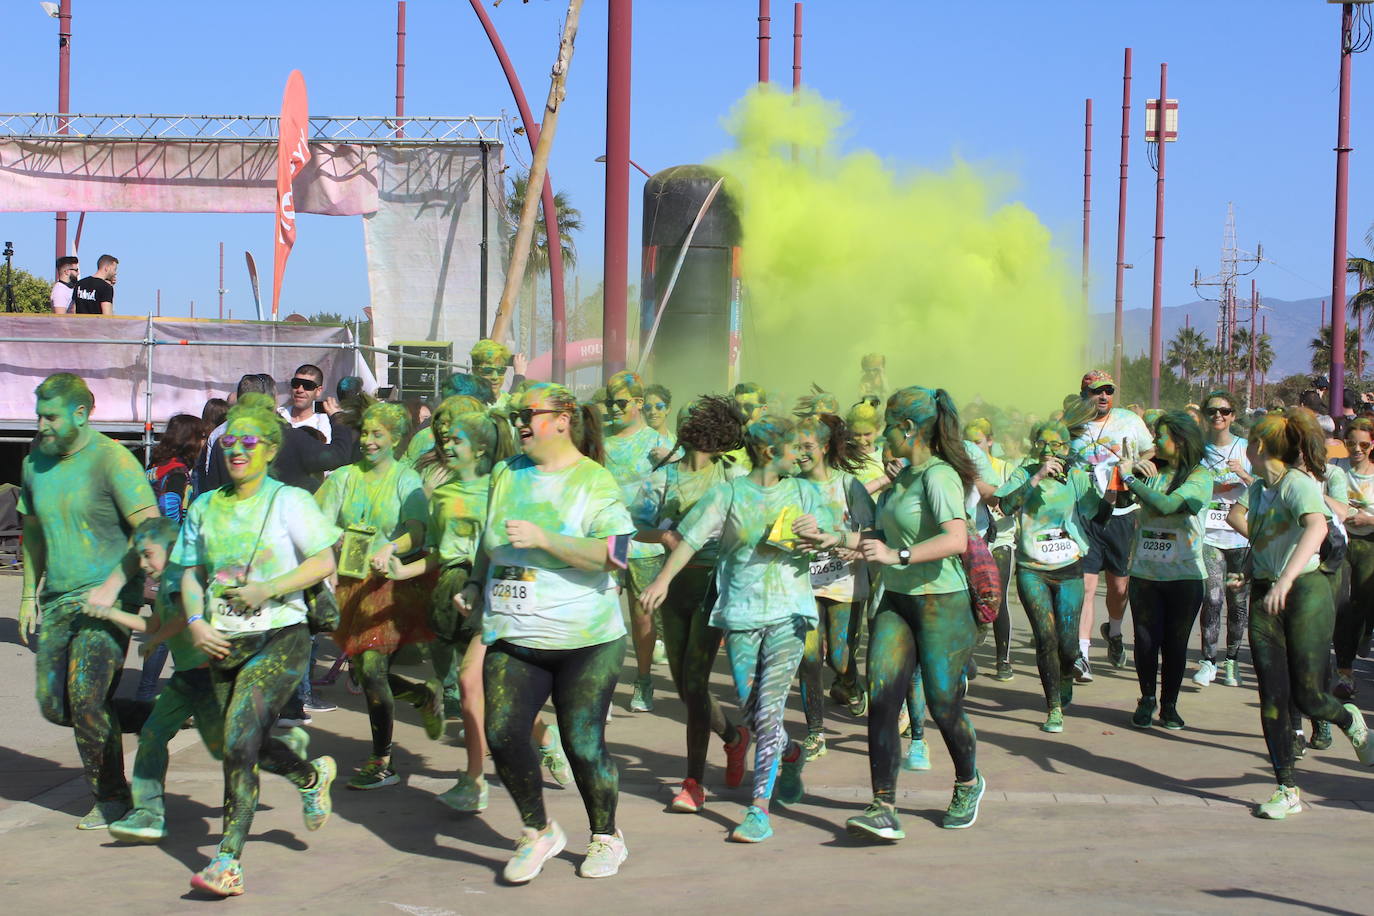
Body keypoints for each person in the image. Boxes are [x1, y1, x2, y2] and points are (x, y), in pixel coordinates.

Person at [455, 382, 632, 883]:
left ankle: (605, 837)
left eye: (528, 414)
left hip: (587, 639)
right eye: (516, 416)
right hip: (514, 632)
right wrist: (473, 583)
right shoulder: (507, 474)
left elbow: (615, 554)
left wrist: (546, 539)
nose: (520, 424)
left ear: (562, 419)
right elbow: (489, 542)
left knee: (581, 742)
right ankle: (538, 831)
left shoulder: (593, 481)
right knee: (503, 733)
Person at [798, 386, 985, 840]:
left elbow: (956, 539)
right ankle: (883, 806)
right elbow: (875, 538)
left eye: (888, 426)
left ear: (908, 428)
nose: (881, 435)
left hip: (943, 603)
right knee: (882, 699)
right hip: (896, 603)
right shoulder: (901, 479)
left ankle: (968, 781)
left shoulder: (937, 477)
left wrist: (898, 556)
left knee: (943, 705)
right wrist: (832, 539)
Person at [174, 397, 340, 895]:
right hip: (225, 640)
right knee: (236, 744)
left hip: (281, 637)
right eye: (229, 441)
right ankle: (310, 776)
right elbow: (189, 572)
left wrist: (267, 588)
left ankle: (227, 860)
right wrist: (197, 621)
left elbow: (324, 562)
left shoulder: (291, 501)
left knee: (241, 741)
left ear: (270, 449)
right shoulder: (205, 506)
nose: (238, 450)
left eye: (249, 441)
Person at [642, 412, 827, 843]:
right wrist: (662, 580)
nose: (799, 454)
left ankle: (758, 810)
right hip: (741, 616)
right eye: (792, 447)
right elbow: (688, 541)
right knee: (752, 709)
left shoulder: (804, 491)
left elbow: (834, 532)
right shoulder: (728, 494)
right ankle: (791, 752)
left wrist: (817, 532)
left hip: (789, 612)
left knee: (767, 711)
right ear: (769, 451)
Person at [82, 517, 312, 844]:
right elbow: (153, 623)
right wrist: (108, 613)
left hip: (209, 675)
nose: (144, 564)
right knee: (153, 733)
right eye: (139, 558)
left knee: (229, 751)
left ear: (172, 548)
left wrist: (156, 640)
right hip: (187, 679)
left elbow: (178, 620)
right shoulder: (165, 583)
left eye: (148, 554)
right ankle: (148, 812)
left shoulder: (178, 575)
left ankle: (285, 751)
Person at [391, 408, 573, 811]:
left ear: (481, 446)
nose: (446, 447)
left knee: (470, 681)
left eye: (455, 440)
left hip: (499, 591)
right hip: (453, 594)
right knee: (491, 688)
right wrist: (402, 570)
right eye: (444, 440)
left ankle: (474, 780)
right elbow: (440, 554)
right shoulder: (441, 494)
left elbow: (517, 546)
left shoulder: (505, 485)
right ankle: (546, 737)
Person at [18, 373, 160, 830]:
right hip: (58, 597)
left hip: (109, 596)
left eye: (51, 415)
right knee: (55, 705)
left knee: (86, 697)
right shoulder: (35, 462)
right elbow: (33, 530)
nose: (41, 423)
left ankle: (113, 798)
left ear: (81, 414)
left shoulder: (112, 461)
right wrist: (27, 594)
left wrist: (114, 584)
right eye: (39, 413)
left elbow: (151, 528)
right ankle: (157, 714)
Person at [1225, 411, 1374, 819]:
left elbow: (1316, 529)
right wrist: (1253, 573)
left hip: (1305, 590)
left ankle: (1349, 719)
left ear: (1258, 446)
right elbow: (1264, 537)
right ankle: (1285, 788)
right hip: (1265, 592)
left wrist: (1286, 580)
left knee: (1308, 695)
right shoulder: (1258, 492)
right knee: (1272, 697)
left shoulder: (1299, 484)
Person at [630, 396, 750, 813]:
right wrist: (662, 537)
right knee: (685, 687)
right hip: (674, 584)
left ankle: (694, 781)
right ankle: (734, 739)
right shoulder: (663, 478)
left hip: (715, 584)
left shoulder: (734, 473)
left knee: (696, 681)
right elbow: (635, 525)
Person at [315, 402, 444, 789]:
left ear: (395, 439)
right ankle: (421, 697)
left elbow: (417, 532)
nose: (368, 442)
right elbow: (314, 521)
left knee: (371, 669)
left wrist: (392, 548)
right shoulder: (343, 477)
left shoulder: (407, 480)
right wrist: (334, 537)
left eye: (378, 435)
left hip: (391, 588)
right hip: (350, 587)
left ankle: (381, 759)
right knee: (367, 671)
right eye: (366, 433)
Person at [994, 419, 1108, 733]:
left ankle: (1068, 673)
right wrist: (1038, 477)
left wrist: (1120, 485)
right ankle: (1053, 707)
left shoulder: (1074, 477)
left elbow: (1099, 514)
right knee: (1046, 638)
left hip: (1069, 567)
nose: (1048, 450)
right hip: (1033, 570)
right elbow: (1004, 505)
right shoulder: (1025, 472)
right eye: (1042, 444)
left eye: (1055, 445)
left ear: (1065, 448)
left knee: (1069, 646)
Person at [1115, 411, 1211, 730]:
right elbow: (1115, 504)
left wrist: (1130, 479)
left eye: (1161, 436)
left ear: (1180, 441)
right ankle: (1146, 699)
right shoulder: (1149, 471)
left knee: (1175, 643)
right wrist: (1123, 474)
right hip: (1145, 574)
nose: (1155, 441)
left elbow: (1167, 505)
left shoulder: (1199, 476)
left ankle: (1169, 705)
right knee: (1144, 641)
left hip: (1184, 577)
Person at [794, 413, 875, 758]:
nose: (800, 453)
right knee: (809, 657)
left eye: (807, 447)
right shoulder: (790, 485)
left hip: (845, 582)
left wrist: (852, 546)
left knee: (840, 657)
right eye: (795, 447)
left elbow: (875, 531)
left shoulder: (848, 485)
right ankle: (816, 733)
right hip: (803, 584)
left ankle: (851, 683)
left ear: (825, 447)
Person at [1069, 370, 1154, 681]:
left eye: (1108, 391)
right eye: (1096, 391)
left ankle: (1114, 632)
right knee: (1087, 587)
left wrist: (1136, 465)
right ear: (1084, 394)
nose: (1103, 396)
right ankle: (1082, 655)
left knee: (1118, 587)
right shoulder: (1071, 424)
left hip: (1122, 511)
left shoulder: (1128, 421)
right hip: (1087, 515)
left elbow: (1151, 449)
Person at [601, 370, 674, 712]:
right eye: (609, 402)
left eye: (619, 402)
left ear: (638, 403)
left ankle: (643, 679)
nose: (613, 409)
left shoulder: (657, 443)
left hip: (645, 542)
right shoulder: (599, 441)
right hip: (610, 540)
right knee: (604, 612)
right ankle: (603, 682)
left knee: (643, 616)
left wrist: (671, 461)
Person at [136, 413, 206, 704]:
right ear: (190, 440)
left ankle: (156, 694)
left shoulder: (154, 468)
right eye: (201, 437)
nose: (204, 442)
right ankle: (149, 695)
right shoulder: (176, 472)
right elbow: (170, 506)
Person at [1196, 391, 1254, 688]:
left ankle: (1232, 660)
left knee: (1238, 602)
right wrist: (1210, 487)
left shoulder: (1246, 448)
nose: (1218, 415)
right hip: (1209, 535)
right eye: (1212, 411)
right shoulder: (1198, 450)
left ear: (1233, 415)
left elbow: (1265, 486)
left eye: (1224, 411)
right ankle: (1208, 660)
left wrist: (1243, 474)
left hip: (1241, 537)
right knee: (1213, 597)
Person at [1334, 417, 1374, 699]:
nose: (1356, 449)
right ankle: (1344, 671)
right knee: (1342, 605)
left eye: (1363, 444)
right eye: (1351, 443)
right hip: (1341, 541)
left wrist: (1366, 517)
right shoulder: (1336, 469)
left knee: (1362, 605)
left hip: (1370, 544)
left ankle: (1364, 636)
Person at [277, 364, 332, 443]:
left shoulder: (323, 424)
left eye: (308, 385)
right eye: (296, 383)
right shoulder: (279, 415)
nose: (300, 390)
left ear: (318, 391)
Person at [469, 338, 528, 408]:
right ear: (474, 371)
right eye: (488, 371)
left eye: (501, 371)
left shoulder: (512, 403)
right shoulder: (467, 404)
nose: (495, 377)